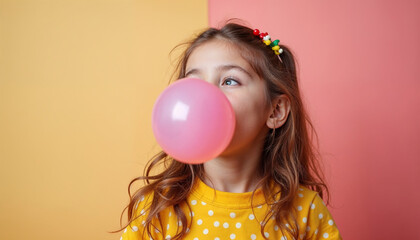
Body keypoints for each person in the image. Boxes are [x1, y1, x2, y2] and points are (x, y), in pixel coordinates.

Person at [118, 22, 342, 240]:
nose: (204, 96)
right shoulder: (157, 209)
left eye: (230, 81)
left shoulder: (305, 212)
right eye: (194, 81)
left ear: (275, 110)